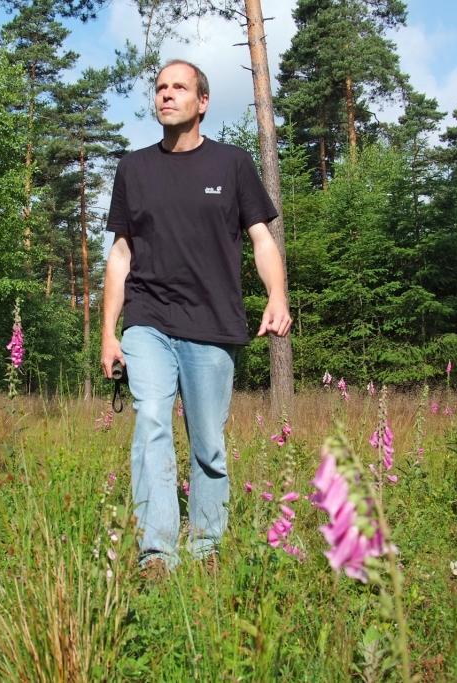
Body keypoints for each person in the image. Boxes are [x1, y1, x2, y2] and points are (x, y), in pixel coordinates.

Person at [101, 59, 291, 576]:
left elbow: (261, 239)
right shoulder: (134, 169)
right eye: (160, 88)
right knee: (152, 426)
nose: (166, 95)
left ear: (202, 102)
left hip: (211, 324)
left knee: (208, 442)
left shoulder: (231, 164)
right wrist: (109, 333)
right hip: (148, 321)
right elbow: (120, 254)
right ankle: (157, 553)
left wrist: (277, 296)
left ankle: (207, 548)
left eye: (178, 87)